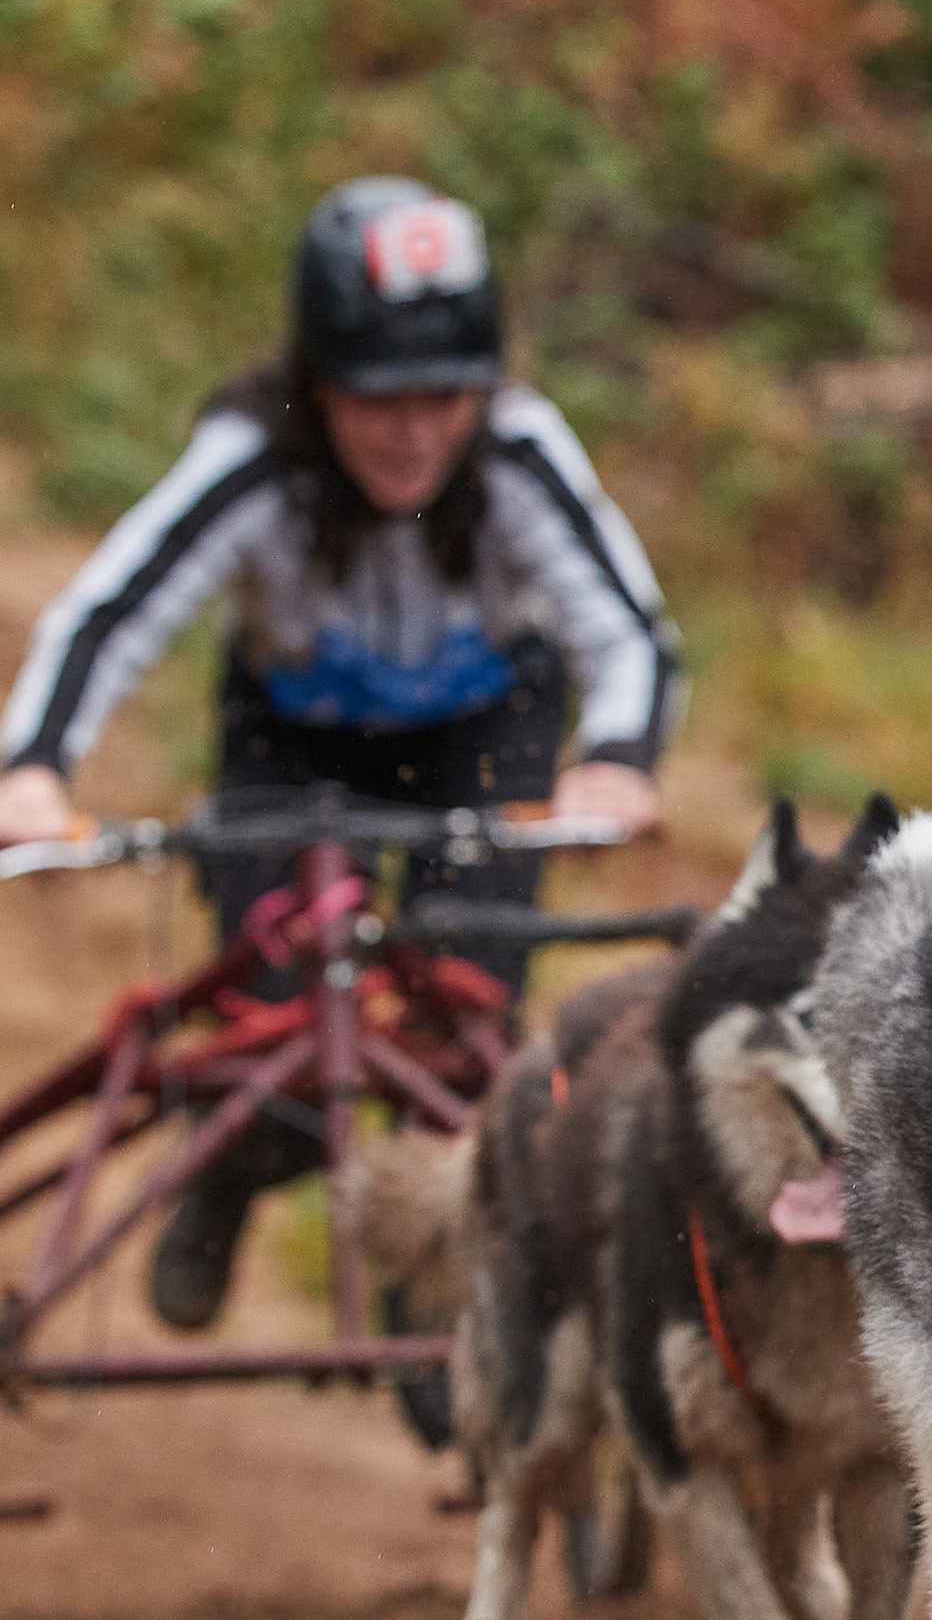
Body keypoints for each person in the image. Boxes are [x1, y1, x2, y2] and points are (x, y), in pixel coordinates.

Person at [0, 176, 682, 1331]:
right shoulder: (251, 457)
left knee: (465, 1039)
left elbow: (629, 631)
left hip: (483, 741)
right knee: (284, 1027)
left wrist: (615, 758)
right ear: (317, 384)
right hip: (295, 746)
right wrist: (34, 768)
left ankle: (445, 1314)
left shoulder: (518, 452)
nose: (415, 431)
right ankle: (232, 1174)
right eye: (378, 399)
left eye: (442, 396)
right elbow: (112, 615)